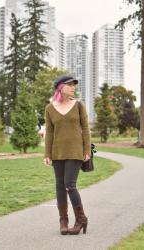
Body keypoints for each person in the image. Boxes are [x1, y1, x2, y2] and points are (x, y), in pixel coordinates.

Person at [44, 75, 91, 235]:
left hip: (75, 151)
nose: (73, 87)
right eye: (69, 84)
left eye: (74, 85)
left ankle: (81, 219)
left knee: (69, 185)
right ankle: (63, 220)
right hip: (57, 152)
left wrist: (87, 150)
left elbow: (85, 128)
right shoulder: (50, 108)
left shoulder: (78, 105)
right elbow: (49, 132)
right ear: (60, 87)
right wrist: (47, 153)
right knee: (59, 187)